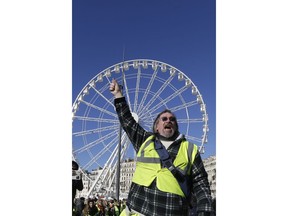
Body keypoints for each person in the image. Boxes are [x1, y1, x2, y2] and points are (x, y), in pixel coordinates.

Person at [109, 79, 215, 216]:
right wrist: (118, 94)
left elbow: (201, 183)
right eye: (164, 119)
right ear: (156, 127)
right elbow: (127, 121)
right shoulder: (145, 140)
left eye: (172, 119)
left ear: (176, 126)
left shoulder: (189, 149)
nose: (168, 120)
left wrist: (205, 211)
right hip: (136, 210)